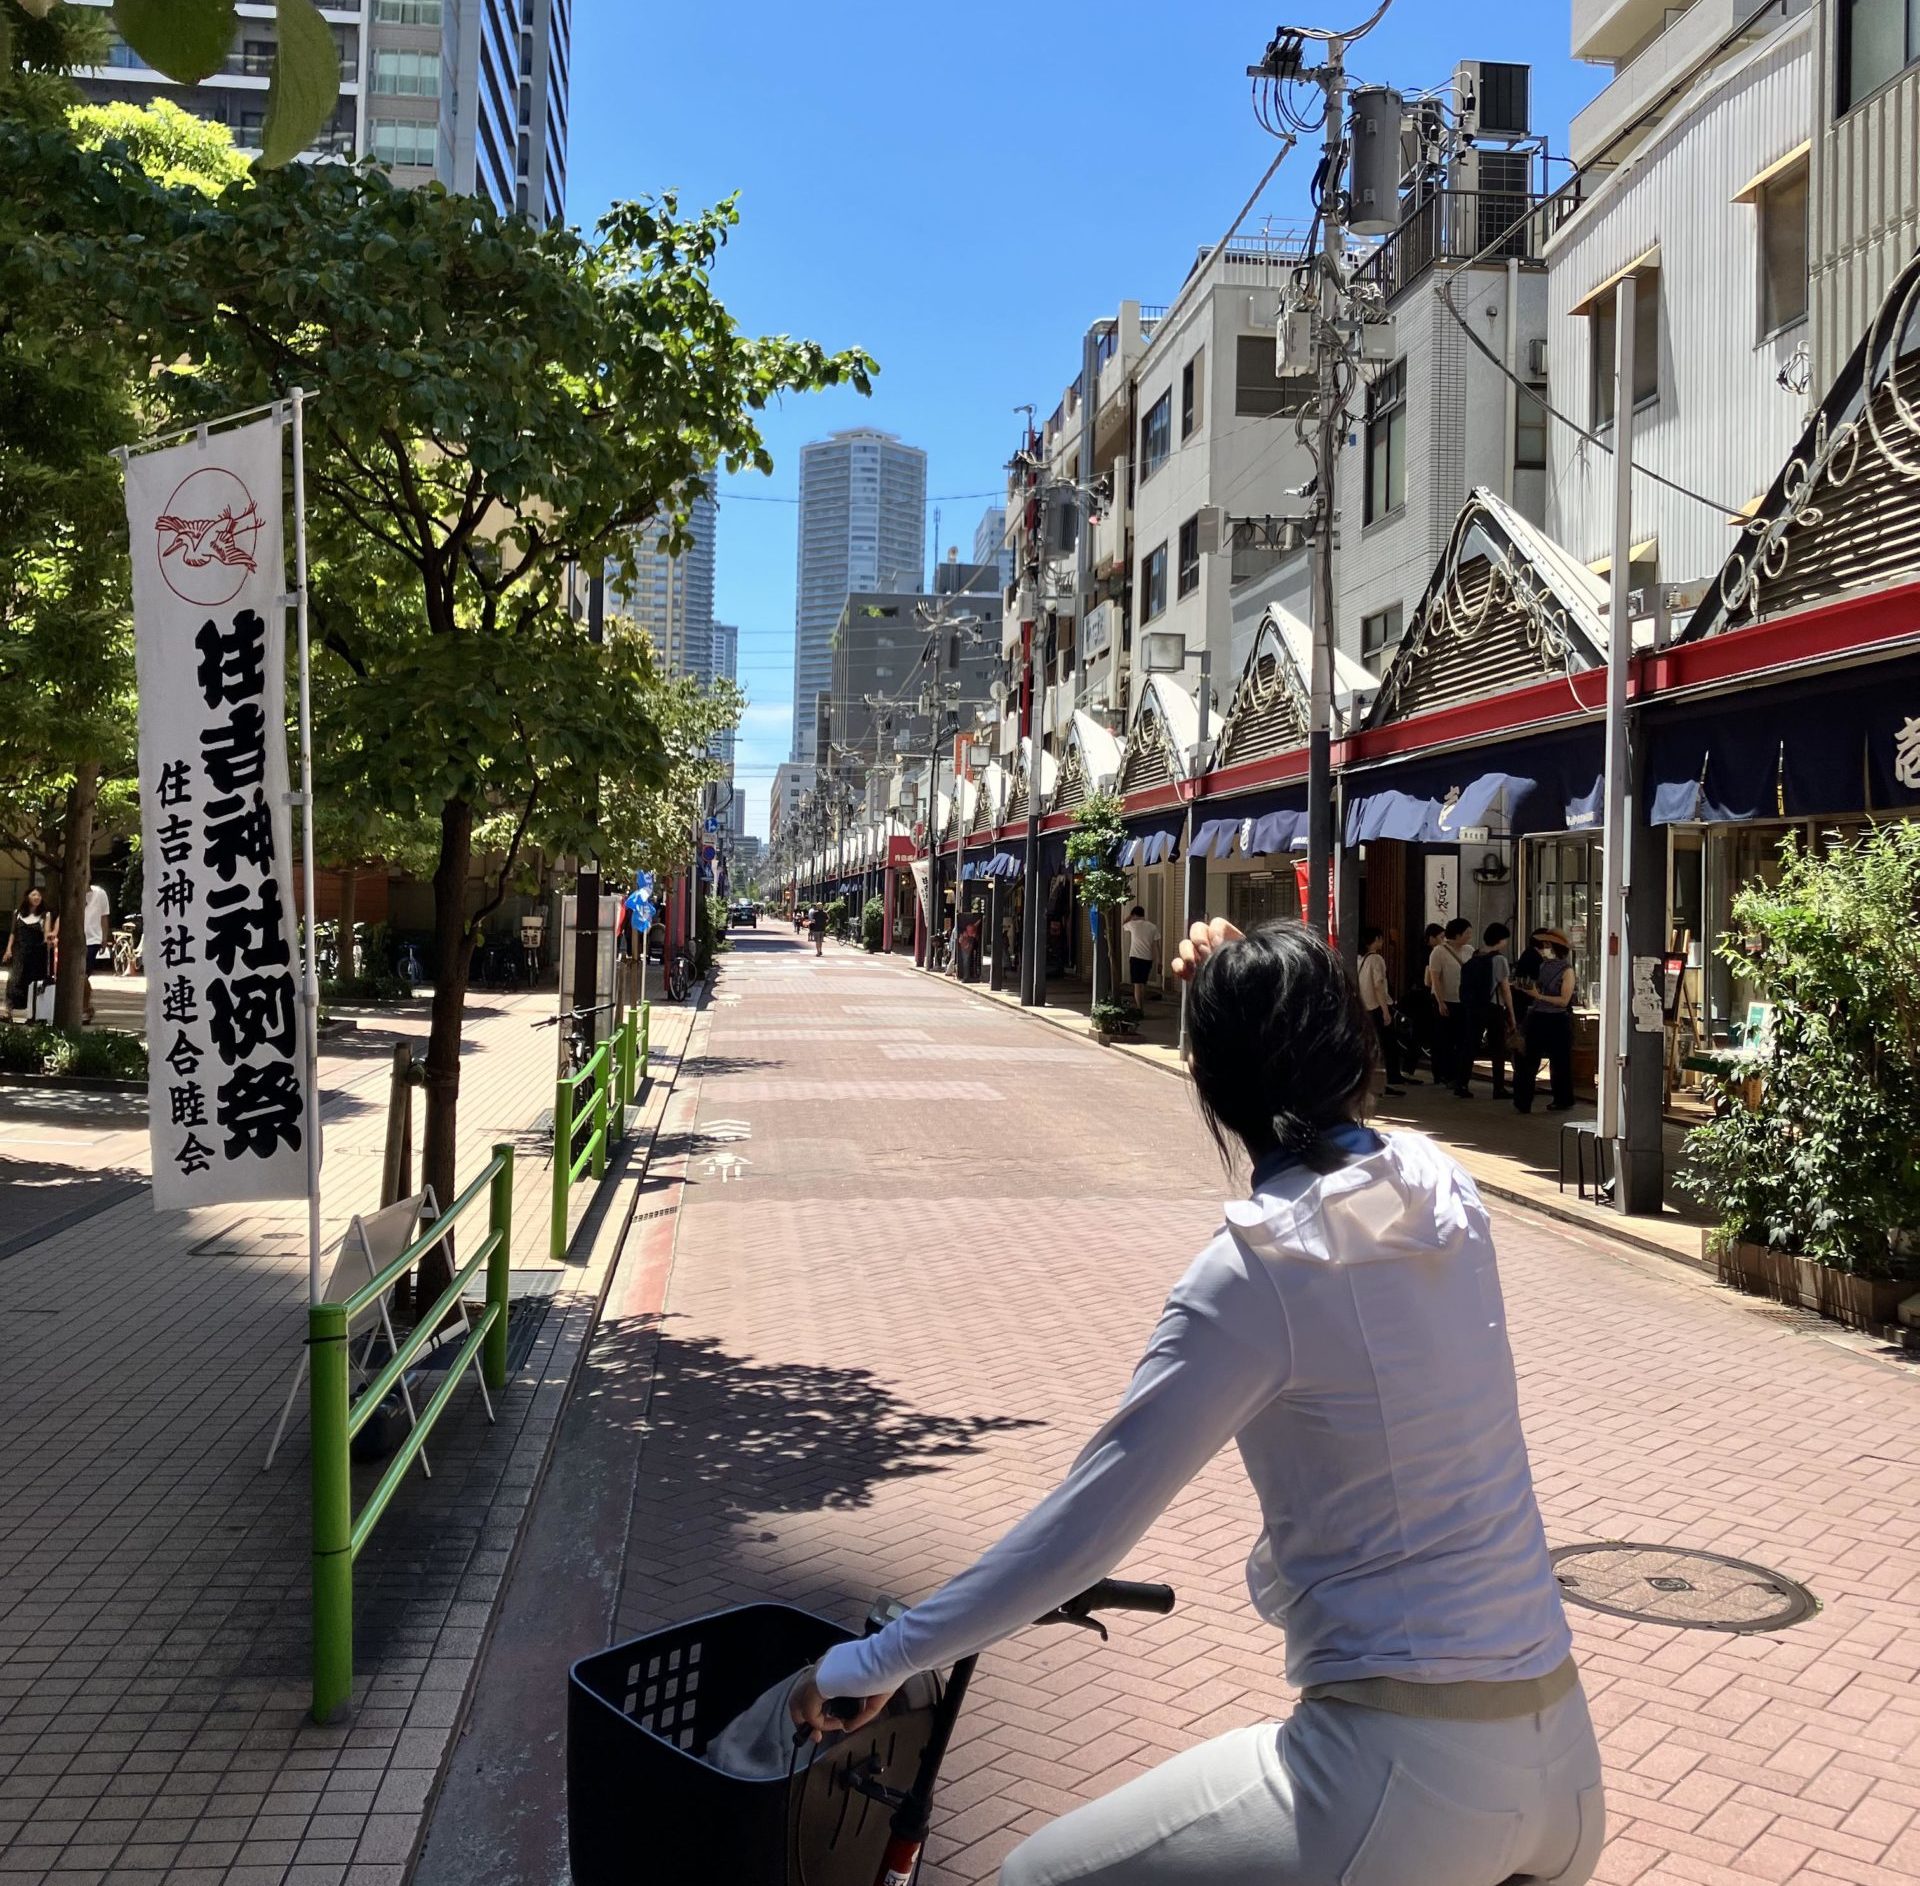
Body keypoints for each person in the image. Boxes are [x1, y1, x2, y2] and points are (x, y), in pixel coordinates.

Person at [790, 918, 1603, 1885]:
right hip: (1565, 1763)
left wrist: (869, 1664)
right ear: (1353, 1050)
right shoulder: (1446, 1190)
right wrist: (1259, 976)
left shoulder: (1261, 1266)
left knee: (1029, 1878)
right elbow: (1339, 1112)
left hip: (1400, 1775)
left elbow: (1079, 1538)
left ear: (1206, 1082)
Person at [1514, 929, 1578, 1113]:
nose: (1544, 949)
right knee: (1529, 1060)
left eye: (1547, 945)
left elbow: (1564, 1001)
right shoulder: (1543, 966)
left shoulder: (1567, 970)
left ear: (1556, 947)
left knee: (1559, 1061)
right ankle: (1523, 1101)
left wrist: (1538, 995)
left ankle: (1562, 1099)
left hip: (1557, 1018)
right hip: (1538, 1016)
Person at [1466, 923, 1517, 1100]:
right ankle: (1498, 1088)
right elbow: (1505, 988)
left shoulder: (1476, 955)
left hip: (1475, 1006)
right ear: (1500, 940)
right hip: (1493, 1007)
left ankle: (1461, 1083)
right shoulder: (1499, 959)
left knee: (1471, 1044)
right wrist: (1511, 1014)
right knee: (1497, 1048)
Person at [1355, 926, 1408, 1096]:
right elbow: (1378, 985)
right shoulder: (1376, 959)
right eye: (1381, 938)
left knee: (1373, 1045)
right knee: (1388, 1045)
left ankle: (1379, 1081)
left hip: (1365, 1007)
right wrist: (1386, 1011)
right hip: (1378, 1006)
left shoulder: (1359, 959)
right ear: (1376, 939)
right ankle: (1389, 1078)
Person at [1426, 918, 1469, 1091]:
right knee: (1444, 1039)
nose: (1469, 936)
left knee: (1461, 1039)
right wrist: (1440, 1001)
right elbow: (1435, 978)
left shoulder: (1469, 950)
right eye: (1467, 932)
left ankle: (1457, 1075)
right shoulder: (1438, 952)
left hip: (1463, 1000)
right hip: (1444, 1000)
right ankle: (1444, 1074)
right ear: (1457, 935)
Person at [3, 887, 56, 1023]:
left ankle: (33, 1014)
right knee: (14, 981)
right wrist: (8, 949)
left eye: (39, 895)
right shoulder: (18, 913)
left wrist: (49, 941)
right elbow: (13, 933)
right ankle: (9, 1011)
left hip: (37, 954)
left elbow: (46, 932)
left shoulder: (45, 915)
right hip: (20, 952)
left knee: (33, 984)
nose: (37, 898)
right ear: (27, 897)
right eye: (34, 895)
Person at [1407, 921, 1444, 1079]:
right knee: (1432, 1035)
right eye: (1441, 937)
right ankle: (1437, 1072)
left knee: (1419, 1033)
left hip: (1420, 996)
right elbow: (1427, 980)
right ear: (1432, 938)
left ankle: (1409, 1067)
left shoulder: (1419, 951)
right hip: (1427, 997)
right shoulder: (1432, 954)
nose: (1443, 940)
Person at [1121, 904, 1160, 1011]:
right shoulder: (1153, 927)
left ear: (1134, 915)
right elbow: (1156, 945)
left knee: (1137, 984)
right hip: (1148, 958)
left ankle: (1139, 1007)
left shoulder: (1132, 924)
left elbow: (1123, 924)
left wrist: (1129, 916)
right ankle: (1142, 1006)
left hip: (1135, 957)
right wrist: (1159, 961)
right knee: (1143, 983)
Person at [81, 880, 111, 1023]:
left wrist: (104, 938)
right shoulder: (72, 892)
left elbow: (104, 917)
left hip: (93, 940)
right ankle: (84, 1007)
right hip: (75, 939)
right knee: (78, 976)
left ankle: (85, 1008)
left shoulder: (100, 893)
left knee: (83, 974)